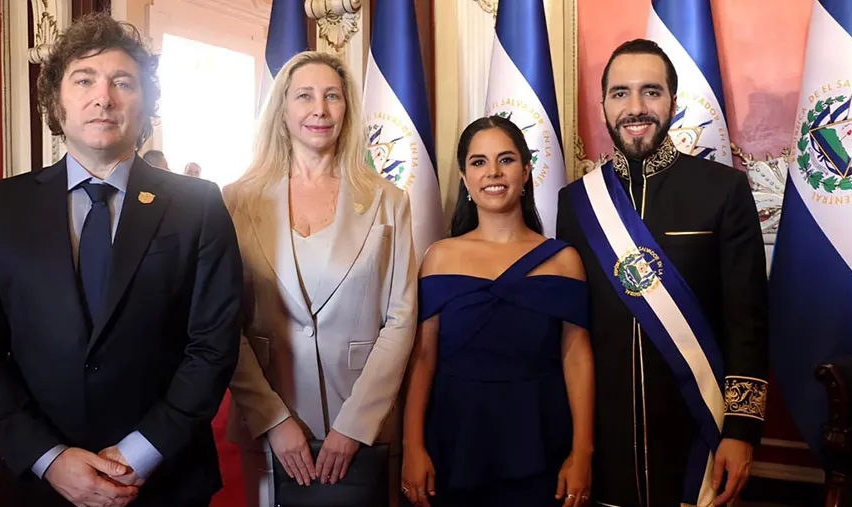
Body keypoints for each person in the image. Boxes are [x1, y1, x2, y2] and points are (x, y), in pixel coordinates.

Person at [0, 13, 243, 507]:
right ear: (57, 101)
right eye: (84, 79)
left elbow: (213, 346)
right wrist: (50, 458)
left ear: (147, 105)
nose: (103, 97)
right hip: (40, 481)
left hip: (166, 479)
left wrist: (140, 453)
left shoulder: (199, 205)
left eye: (123, 82)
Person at [556, 39, 769, 507]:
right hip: (605, 444)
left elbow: (747, 322)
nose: (635, 107)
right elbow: (571, 333)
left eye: (650, 92)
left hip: (700, 436)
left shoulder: (724, 190)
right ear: (603, 105)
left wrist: (741, 431)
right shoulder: (575, 204)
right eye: (620, 93)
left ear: (673, 101)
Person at [223, 51, 417, 507]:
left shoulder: (389, 200)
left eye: (332, 96)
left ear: (347, 108)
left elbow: (402, 318)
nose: (320, 109)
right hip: (268, 422)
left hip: (362, 426)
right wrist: (271, 420)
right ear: (282, 109)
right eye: (304, 96)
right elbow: (222, 324)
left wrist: (356, 423)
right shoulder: (235, 200)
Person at [402, 115, 594, 507]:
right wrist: (412, 446)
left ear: (526, 172)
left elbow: (577, 357)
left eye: (506, 160)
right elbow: (423, 360)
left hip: (540, 441)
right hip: (454, 443)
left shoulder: (563, 260)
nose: (493, 172)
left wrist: (582, 452)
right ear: (464, 177)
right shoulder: (439, 257)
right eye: (478, 162)